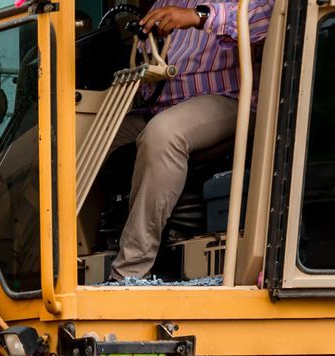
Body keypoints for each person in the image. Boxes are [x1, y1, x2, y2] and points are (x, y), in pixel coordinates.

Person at [110, 0, 272, 280]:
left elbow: (264, 18)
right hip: (159, 104)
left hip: (232, 99)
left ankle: (129, 272)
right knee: (72, 133)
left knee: (164, 134)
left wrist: (198, 17)